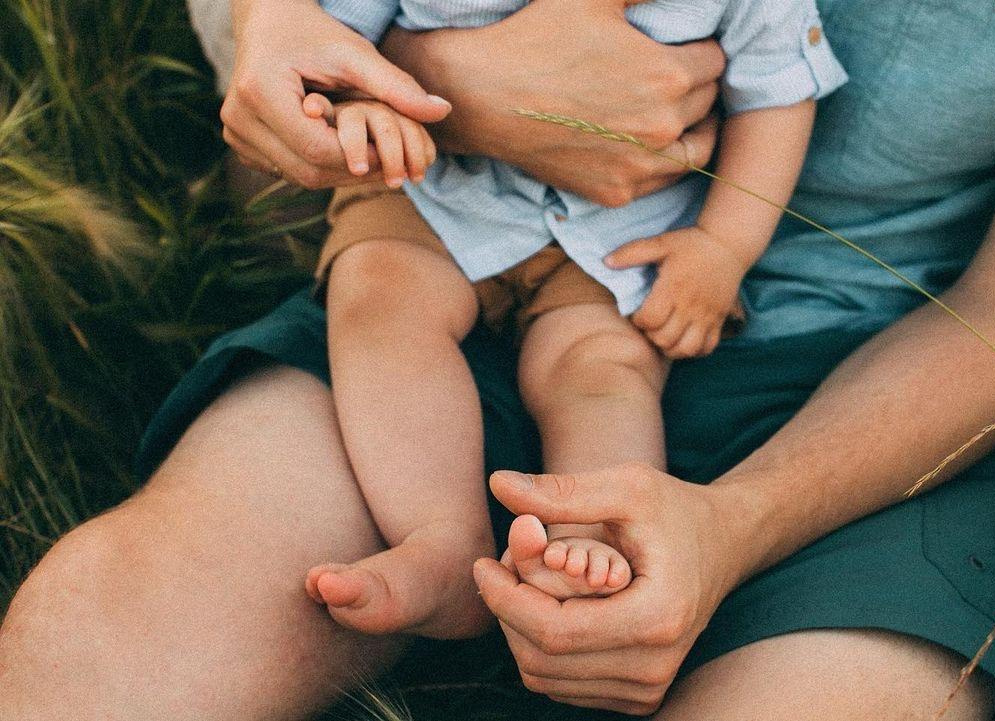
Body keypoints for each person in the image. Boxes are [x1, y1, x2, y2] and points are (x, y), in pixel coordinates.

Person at [1, 0, 995, 719]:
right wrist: (435, 81)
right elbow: (289, 54)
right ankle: (453, 547)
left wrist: (732, 526)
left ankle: (580, 543)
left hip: (867, 400)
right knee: (110, 640)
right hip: (473, 275)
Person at [299, 0, 846, 637]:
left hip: (621, 234)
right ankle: (443, 546)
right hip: (436, 193)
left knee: (599, 372)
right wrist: (352, 103)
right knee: (378, 297)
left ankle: (581, 547)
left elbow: (776, 100)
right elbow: (329, 45)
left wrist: (723, 247)